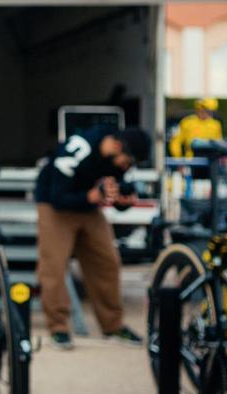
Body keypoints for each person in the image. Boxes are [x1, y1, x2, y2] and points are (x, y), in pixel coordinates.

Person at [33, 126, 151, 350]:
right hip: (54, 206)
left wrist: (122, 200)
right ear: (117, 146)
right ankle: (58, 328)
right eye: (128, 161)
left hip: (88, 208)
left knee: (107, 262)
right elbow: (58, 196)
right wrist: (91, 196)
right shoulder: (78, 149)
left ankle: (113, 326)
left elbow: (115, 188)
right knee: (53, 267)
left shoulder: (116, 159)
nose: (127, 167)